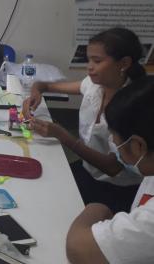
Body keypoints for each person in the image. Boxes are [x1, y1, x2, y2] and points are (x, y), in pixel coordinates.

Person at [23, 27, 146, 213]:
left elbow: (113, 167)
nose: (89, 67)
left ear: (124, 63)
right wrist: (35, 93)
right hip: (87, 170)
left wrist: (63, 136)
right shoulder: (93, 85)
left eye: (97, 61)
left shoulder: (133, 105)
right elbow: (44, 85)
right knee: (38, 190)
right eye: (89, 60)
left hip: (116, 189)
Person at [66, 79, 154, 264]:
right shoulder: (149, 169)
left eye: (114, 139)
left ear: (138, 145)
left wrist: (97, 208)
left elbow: (79, 249)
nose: (112, 143)